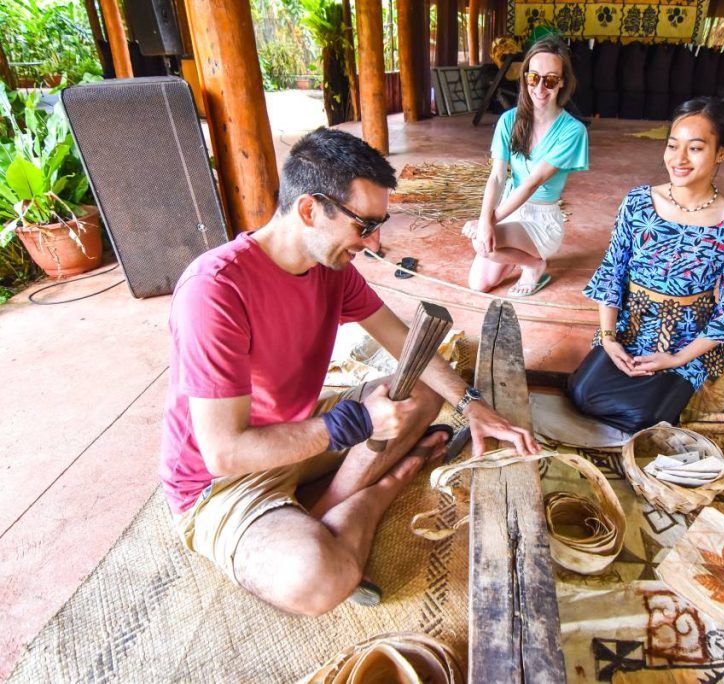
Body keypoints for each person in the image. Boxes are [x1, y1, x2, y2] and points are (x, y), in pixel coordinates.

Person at [160, 128, 539, 617]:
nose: (375, 243)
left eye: (379, 224)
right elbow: (224, 451)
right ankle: (384, 488)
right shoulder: (214, 290)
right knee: (318, 580)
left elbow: (404, 342)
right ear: (309, 209)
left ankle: (328, 506)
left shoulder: (332, 268)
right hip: (221, 481)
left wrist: (472, 406)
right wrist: (357, 423)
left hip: (297, 427)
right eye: (365, 225)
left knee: (423, 390)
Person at [568, 97, 724, 433]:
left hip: (687, 339)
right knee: (581, 394)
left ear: (721, 154)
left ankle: (679, 377)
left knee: (645, 418)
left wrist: (676, 358)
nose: (679, 159)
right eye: (673, 146)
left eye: (696, 148)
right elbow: (612, 273)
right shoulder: (639, 202)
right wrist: (609, 338)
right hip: (630, 328)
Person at [462, 36, 589, 297]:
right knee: (479, 283)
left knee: (483, 242)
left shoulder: (573, 131)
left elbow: (532, 184)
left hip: (541, 219)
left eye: (551, 80)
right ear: (525, 78)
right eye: (534, 78)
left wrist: (487, 224)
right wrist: (486, 219)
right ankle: (513, 250)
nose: (540, 88)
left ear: (562, 82)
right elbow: (497, 177)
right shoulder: (509, 120)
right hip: (511, 208)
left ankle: (534, 263)